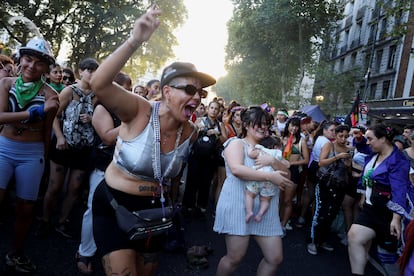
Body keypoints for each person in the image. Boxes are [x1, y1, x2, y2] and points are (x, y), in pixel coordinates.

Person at [89, 5, 216, 275]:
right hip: (115, 206)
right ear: (167, 91)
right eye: (190, 89)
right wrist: (135, 40)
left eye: (201, 93)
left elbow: (170, 179)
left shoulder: (191, 132)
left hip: (155, 215)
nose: (197, 97)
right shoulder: (140, 111)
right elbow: (98, 84)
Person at [0, 37, 59, 273]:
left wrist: (44, 163)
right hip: (3, 148)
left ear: (46, 68)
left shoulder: (51, 95)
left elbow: (47, 132)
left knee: (26, 208)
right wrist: (34, 114)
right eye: (28, 59)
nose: (31, 66)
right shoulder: (5, 84)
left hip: (32, 153)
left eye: (38, 63)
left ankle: (16, 254)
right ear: (20, 59)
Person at [214, 106, 293, 276]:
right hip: (238, 205)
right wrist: (269, 178)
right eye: (258, 123)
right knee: (235, 257)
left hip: (266, 210)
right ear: (246, 124)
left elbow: (287, 175)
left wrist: (272, 161)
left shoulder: (271, 147)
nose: (263, 127)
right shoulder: (236, 143)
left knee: (275, 258)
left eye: (266, 124)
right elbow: (237, 169)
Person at [37, 57, 99, 238]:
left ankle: (62, 221)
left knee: (74, 189)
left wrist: (92, 119)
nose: (92, 74)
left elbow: (103, 120)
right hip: (63, 145)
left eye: (95, 70)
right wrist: (60, 138)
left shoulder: (98, 95)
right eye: (89, 70)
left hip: (84, 148)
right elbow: (53, 116)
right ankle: (45, 220)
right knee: (54, 187)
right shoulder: (68, 91)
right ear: (80, 72)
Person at [75, 72, 130, 275]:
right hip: (103, 168)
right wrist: (133, 123)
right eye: (123, 89)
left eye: (128, 89)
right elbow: (107, 138)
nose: (127, 94)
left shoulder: (127, 110)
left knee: (118, 212)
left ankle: (110, 251)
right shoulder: (101, 108)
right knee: (93, 209)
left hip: (125, 169)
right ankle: (84, 252)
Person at [348, 124, 411, 276]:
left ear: (383, 139)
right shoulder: (373, 152)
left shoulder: (398, 161)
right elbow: (362, 146)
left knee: (388, 258)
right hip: (370, 209)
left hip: (387, 215)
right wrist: (358, 136)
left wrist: (396, 218)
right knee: (353, 237)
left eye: (371, 139)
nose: (368, 142)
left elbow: (399, 191)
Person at [307, 124, 352, 255]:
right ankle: (313, 241)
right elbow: (321, 162)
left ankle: (322, 240)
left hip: (340, 186)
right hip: (325, 184)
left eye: (346, 136)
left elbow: (347, 170)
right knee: (320, 213)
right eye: (340, 136)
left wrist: (348, 164)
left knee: (331, 214)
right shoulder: (329, 145)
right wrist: (338, 157)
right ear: (336, 135)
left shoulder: (349, 149)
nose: (343, 139)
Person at [245, 136, 286, 223]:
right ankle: (260, 214)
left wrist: (251, 147)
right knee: (265, 200)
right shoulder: (277, 153)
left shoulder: (260, 150)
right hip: (270, 181)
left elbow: (250, 154)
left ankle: (249, 212)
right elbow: (287, 164)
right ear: (275, 146)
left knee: (249, 195)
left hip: (259, 176)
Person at [280, 116, 309, 234]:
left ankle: (283, 225)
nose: (294, 128)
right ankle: (277, 221)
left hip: (294, 172)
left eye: (297, 126)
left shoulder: (302, 141)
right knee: (279, 199)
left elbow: (306, 160)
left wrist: (291, 163)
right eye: (293, 125)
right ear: (288, 125)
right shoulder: (281, 138)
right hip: (280, 170)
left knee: (288, 200)